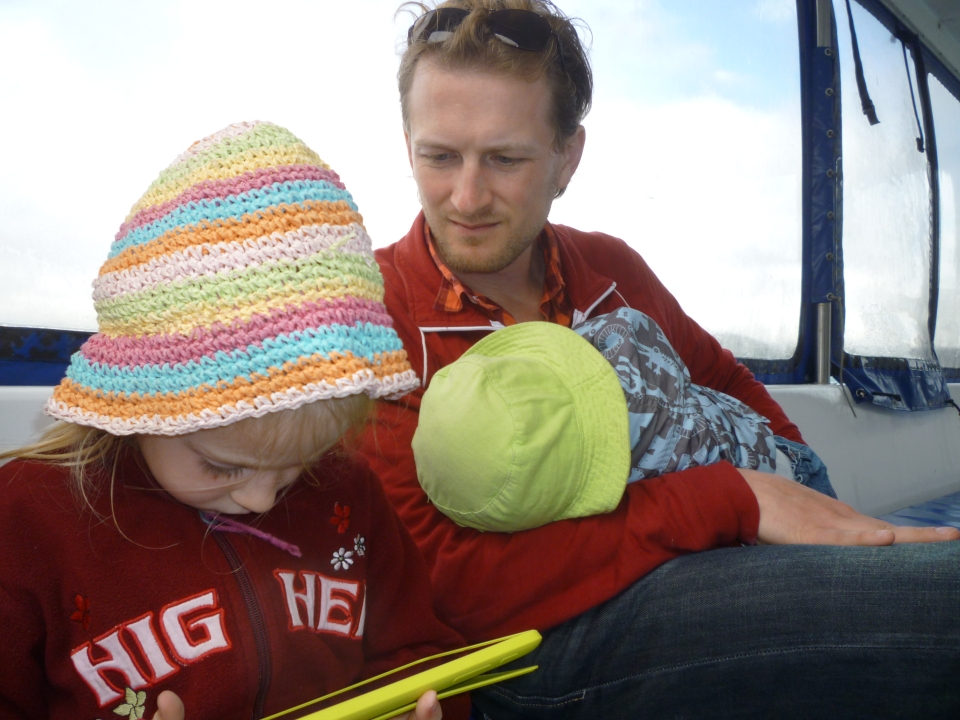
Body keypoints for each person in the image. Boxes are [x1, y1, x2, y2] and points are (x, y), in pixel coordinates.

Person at [356, 1, 960, 717]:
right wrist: (727, 500)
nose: (466, 196)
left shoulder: (612, 269)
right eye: (439, 156)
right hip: (520, 650)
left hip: (689, 569)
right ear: (408, 146)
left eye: (505, 159)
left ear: (567, 158)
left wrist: (796, 485)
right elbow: (442, 580)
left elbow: (723, 379)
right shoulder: (374, 317)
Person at [0, 121, 469, 720]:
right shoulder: (30, 522)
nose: (261, 499)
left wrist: (419, 704)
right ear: (139, 407)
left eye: (300, 464)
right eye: (222, 467)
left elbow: (417, 653)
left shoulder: (349, 494)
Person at [413, 312, 835, 534]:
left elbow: (721, 375)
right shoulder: (614, 336)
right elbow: (636, 326)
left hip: (790, 474)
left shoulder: (661, 453)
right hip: (771, 459)